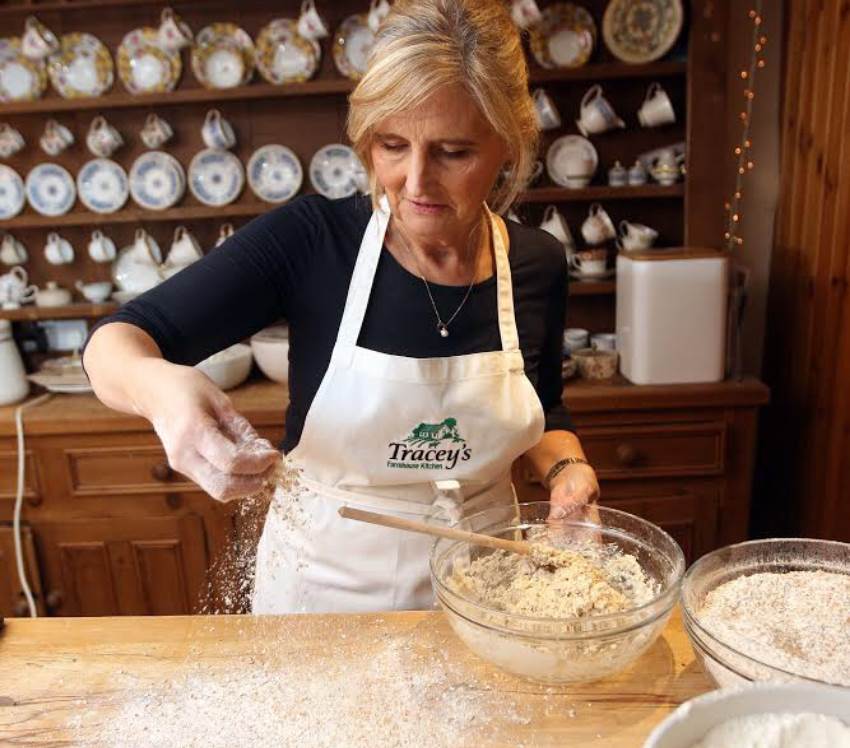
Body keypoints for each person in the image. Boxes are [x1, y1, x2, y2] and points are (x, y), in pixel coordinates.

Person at [82, 0, 600, 614]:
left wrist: (566, 469)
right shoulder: (311, 243)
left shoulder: (536, 261)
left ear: (507, 144)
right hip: (324, 592)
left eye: (453, 152)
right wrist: (161, 392)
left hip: (484, 588)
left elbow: (545, 404)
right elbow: (117, 343)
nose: (414, 182)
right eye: (391, 145)